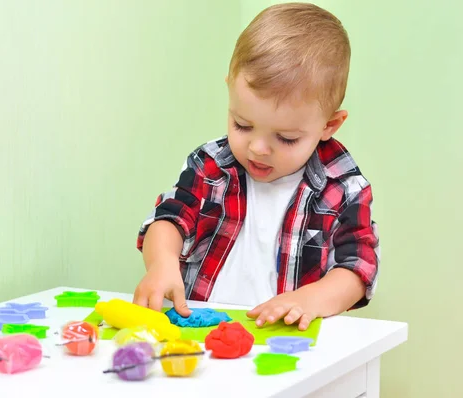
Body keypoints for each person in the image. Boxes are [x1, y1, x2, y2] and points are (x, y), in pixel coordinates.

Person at [133, 2, 380, 331]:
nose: (258, 148)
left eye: (287, 138)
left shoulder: (343, 188)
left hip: (288, 345)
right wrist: (162, 263)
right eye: (242, 125)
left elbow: (358, 266)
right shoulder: (211, 166)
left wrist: (313, 298)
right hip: (201, 336)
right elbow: (170, 219)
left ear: (329, 125)